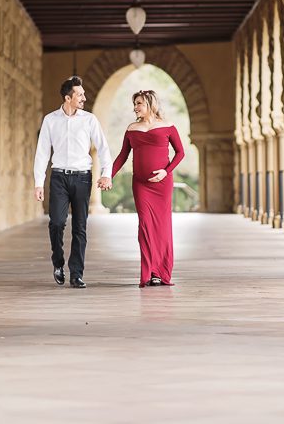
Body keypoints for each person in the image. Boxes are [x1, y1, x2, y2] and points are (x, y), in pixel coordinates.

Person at [34, 76, 112, 288]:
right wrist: (39, 183)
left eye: (83, 94)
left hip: (82, 178)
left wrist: (106, 173)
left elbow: (103, 148)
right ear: (68, 98)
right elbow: (42, 153)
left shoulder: (90, 120)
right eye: (80, 95)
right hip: (59, 177)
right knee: (56, 223)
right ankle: (58, 262)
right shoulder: (50, 120)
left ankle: (76, 274)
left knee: (80, 227)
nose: (84, 98)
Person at [112, 89, 185, 288]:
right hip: (141, 185)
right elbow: (122, 156)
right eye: (135, 103)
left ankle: (159, 273)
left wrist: (166, 172)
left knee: (162, 227)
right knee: (145, 225)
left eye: (139, 103)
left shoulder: (168, 126)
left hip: (162, 185)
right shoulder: (132, 128)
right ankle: (148, 272)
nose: (135, 107)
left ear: (150, 104)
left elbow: (180, 153)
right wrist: (108, 175)